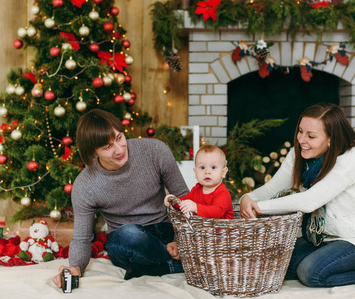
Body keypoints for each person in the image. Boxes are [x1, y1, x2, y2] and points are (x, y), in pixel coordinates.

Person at [240, 102, 355, 287]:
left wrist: (258, 207)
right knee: (277, 263)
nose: (301, 140)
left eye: (311, 136)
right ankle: (331, 260)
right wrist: (248, 197)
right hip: (328, 237)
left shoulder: (351, 159)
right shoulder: (299, 153)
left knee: (310, 273)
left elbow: (310, 201)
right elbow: (271, 189)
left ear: (331, 139)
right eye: (300, 131)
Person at [53, 109, 189, 288]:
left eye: (119, 138)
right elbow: (82, 238)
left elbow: (184, 200)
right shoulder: (85, 185)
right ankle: (182, 264)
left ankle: (158, 266)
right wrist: (75, 267)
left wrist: (180, 241)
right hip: (128, 242)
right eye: (107, 147)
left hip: (166, 232)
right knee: (128, 235)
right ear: (93, 152)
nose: (119, 150)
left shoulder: (155, 151)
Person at [164, 144, 234, 219]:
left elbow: (217, 212)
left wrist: (195, 207)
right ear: (195, 172)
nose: (207, 171)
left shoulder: (223, 193)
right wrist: (175, 201)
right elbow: (186, 202)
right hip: (203, 229)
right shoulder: (197, 190)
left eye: (213, 167)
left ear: (223, 172)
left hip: (224, 229)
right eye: (202, 167)